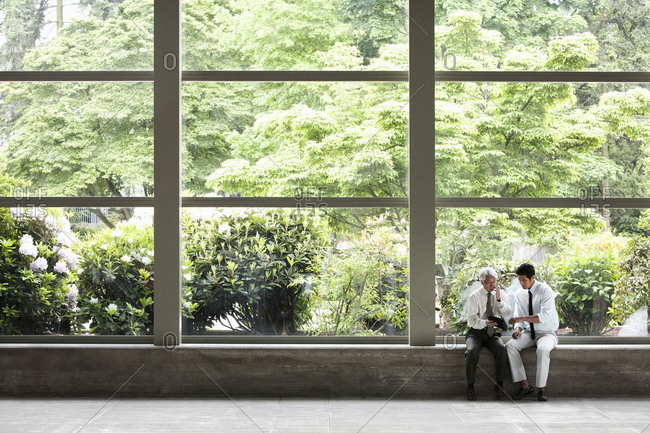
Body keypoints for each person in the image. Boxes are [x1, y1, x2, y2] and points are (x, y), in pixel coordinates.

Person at [506, 263, 559, 402]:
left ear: (533, 277)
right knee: (510, 345)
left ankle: (541, 389)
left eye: (524, 280)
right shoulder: (519, 293)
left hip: (547, 333)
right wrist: (517, 329)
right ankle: (525, 385)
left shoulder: (545, 290)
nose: (522, 283)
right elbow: (519, 317)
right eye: (520, 280)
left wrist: (522, 318)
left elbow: (544, 317)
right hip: (529, 332)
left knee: (542, 349)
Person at [464, 267, 512, 401]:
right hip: (476, 332)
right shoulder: (474, 296)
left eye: (494, 281)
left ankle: (500, 385)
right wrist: (485, 323)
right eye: (489, 282)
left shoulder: (501, 294)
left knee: (501, 349)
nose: (492, 285)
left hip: (493, 334)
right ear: (482, 282)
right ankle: (470, 386)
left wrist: (499, 300)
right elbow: (472, 320)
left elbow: (507, 314)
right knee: (472, 350)